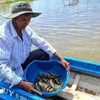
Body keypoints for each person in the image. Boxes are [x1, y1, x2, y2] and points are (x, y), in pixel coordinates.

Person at [0, 1, 70, 96]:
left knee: (43, 53)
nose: (27, 23)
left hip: (21, 63)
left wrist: (61, 58)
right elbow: (2, 66)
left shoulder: (25, 29)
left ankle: (27, 75)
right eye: (24, 20)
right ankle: (22, 80)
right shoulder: (4, 35)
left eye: (29, 19)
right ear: (14, 18)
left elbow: (42, 42)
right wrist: (21, 83)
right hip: (9, 70)